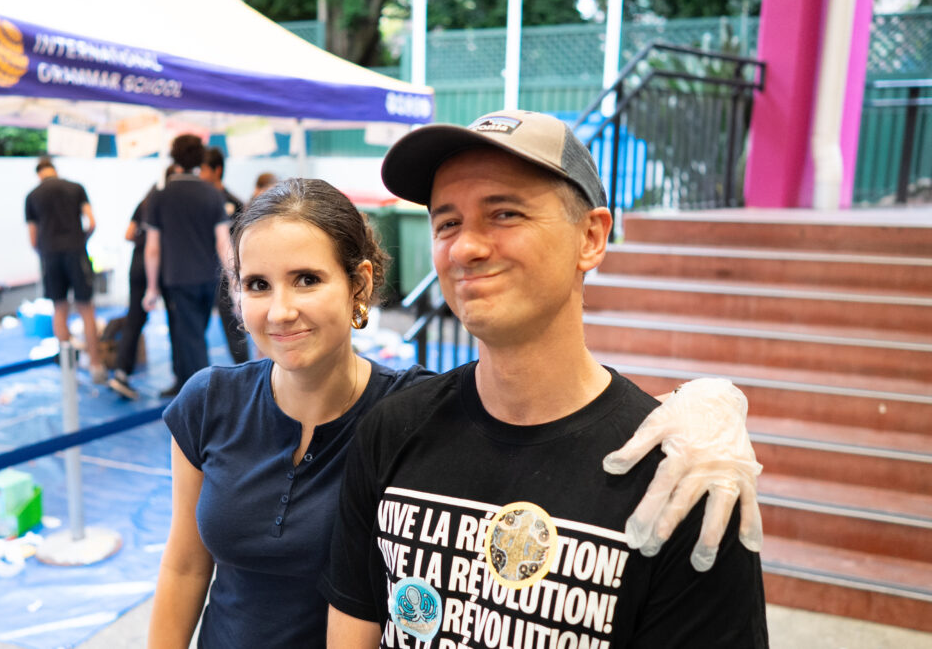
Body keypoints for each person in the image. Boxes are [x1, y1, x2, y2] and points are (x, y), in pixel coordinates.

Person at [148, 177, 763, 648]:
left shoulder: (407, 416)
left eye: (306, 279)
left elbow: (536, 414)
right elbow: (183, 565)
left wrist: (708, 403)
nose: (280, 310)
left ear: (358, 286)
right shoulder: (210, 401)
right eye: (256, 284)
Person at [321, 110, 768, 647]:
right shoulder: (393, 430)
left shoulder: (683, 476)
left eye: (505, 214)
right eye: (447, 223)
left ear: (591, 237)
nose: (465, 248)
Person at [142, 135, 232, 398]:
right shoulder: (212, 194)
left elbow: (152, 247)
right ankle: (182, 382)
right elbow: (223, 243)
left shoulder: (160, 194)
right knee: (190, 335)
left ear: (174, 157)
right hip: (207, 278)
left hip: (178, 279)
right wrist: (235, 282)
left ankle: (203, 399)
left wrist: (151, 287)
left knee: (190, 339)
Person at [24, 156, 106, 383]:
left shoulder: (32, 196)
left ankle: (69, 369)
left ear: (39, 173)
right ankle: (96, 365)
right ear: (54, 170)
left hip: (50, 256)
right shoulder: (75, 188)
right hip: (76, 251)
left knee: (59, 309)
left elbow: (32, 239)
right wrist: (81, 240)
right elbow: (92, 222)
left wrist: (47, 251)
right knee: (86, 309)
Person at [108, 165, 177, 400]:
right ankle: (182, 378)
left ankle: (121, 373)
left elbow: (128, 234)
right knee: (175, 319)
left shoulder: (147, 200)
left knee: (134, 319)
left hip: (137, 264)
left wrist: (142, 237)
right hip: (159, 265)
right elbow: (157, 244)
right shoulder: (168, 202)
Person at [200, 147, 250, 365]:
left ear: (216, 170)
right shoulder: (197, 203)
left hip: (226, 275)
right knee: (194, 328)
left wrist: (237, 277)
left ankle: (245, 370)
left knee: (233, 325)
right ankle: (190, 377)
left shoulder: (234, 203)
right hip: (200, 273)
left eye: (203, 169)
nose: (200, 175)